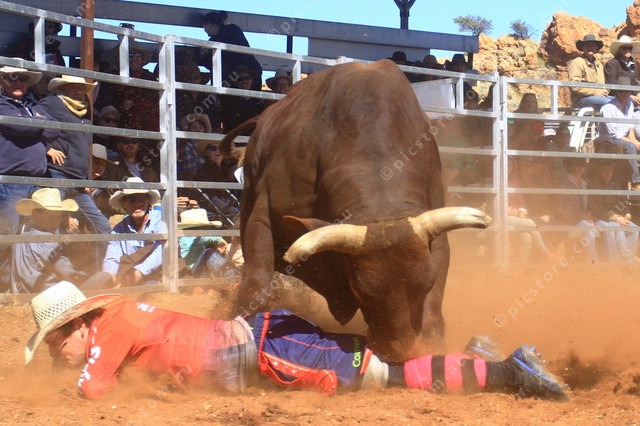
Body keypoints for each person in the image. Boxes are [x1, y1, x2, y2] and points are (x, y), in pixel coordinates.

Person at [25, 281, 570, 401]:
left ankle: (508, 371)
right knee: (373, 362)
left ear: (77, 325)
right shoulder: (117, 317)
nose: (58, 354)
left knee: (382, 377)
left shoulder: (109, 328)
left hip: (266, 352)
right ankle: (475, 358)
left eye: (55, 344)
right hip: (262, 341)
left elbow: (93, 387)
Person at [39, 75, 111, 236]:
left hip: (78, 179)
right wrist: (47, 149)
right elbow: (33, 128)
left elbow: (84, 145)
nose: (78, 91)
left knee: (102, 226)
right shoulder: (50, 103)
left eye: (81, 88)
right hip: (57, 173)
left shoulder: (85, 108)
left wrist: (86, 177)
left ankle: (100, 255)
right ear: (62, 88)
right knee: (52, 224)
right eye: (73, 87)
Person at [0, 64, 61, 234]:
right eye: (13, 77)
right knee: (8, 231)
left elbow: (56, 130)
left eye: (23, 78)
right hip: (13, 179)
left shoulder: (31, 104)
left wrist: (33, 124)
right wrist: (41, 122)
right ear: (3, 80)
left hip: (36, 179)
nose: (18, 82)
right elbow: (19, 127)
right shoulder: (2, 104)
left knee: (42, 229)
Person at [83, 177, 166, 289]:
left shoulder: (160, 220)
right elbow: (112, 258)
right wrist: (109, 276)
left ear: (148, 201)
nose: (137, 203)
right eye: (131, 199)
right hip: (129, 277)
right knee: (102, 280)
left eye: (141, 198)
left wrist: (138, 273)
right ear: (124, 204)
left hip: (159, 275)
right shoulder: (118, 230)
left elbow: (162, 250)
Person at [3, 188, 85, 293]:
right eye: (50, 217)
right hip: (51, 296)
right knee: (101, 278)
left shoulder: (17, 241)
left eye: (57, 217)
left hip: (23, 296)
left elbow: (6, 274)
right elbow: (69, 273)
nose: (55, 222)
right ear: (35, 216)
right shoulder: (48, 243)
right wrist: (83, 276)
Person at [587, 159, 639, 262]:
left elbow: (622, 202)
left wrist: (623, 214)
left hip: (615, 218)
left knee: (634, 229)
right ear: (599, 170)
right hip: (600, 219)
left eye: (610, 170)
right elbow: (597, 209)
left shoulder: (614, 184)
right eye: (605, 170)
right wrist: (615, 218)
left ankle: (626, 261)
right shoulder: (595, 184)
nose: (608, 173)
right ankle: (620, 260)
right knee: (616, 228)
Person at [199, 10, 263, 91]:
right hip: (245, 74)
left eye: (205, 27)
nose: (205, 31)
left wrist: (205, 53)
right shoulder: (231, 30)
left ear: (210, 24)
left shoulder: (229, 31)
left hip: (238, 75)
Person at [597, 76, 640, 190]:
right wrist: (632, 141)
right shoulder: (608, 108)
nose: (624, 93)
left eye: (627, 91)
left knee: (634, 144)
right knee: (631, 146)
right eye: (621, 91)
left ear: (630, 92)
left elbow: (630, 124)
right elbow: (613, 134)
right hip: (608, 139)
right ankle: (636, 181)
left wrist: (633, 137)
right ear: (617, 92)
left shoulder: (630, 103)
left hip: (622, 137)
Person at [178, 208, 238, 278]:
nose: (207, 230)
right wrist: (219, 240)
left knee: (209, 253)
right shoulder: (185, 239)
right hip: (192, 274)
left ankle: (233, 273)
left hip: (197, 271)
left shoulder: (190, 238)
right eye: (205, 228)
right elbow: (200, 240)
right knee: (208, 253)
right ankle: (231, 278)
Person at [193, 139, 239, 217]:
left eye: (221, 148)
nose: (217, 151)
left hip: (230, 208)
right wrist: (232, 209)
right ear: (207, 152)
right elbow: (210, 198)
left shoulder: (230, 168)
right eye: (213, 148)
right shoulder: (203, 171)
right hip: (211, 210)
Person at [568, 35, 612, 109]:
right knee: (610, 104)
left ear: (596, 47)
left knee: (620, 102)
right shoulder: (578, 62)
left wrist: (605, 90)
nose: (590, 47)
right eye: (587, 45)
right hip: (582, 99)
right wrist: (594, 92)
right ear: (583, 47)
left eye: (593, 45)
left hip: (599, 97)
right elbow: (574, 86)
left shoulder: (599, 65)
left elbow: (603, 84)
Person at [220, 64, 265, 133]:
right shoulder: (229, 101)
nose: (244, 81)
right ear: (235, 82)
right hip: (234, 136)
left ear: (252, 80)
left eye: (247, 78)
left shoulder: (258, 101)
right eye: (240, 79)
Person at [604, 35, 640, 107]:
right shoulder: (612, 64)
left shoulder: (633, 64)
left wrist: (638, 94)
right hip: (616, 97)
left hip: (632, 97)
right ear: (619, 49)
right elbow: (612, 85)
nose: (628, 50)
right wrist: (630, 97)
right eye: (625, 48)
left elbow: (635, 83)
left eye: (630, 48)